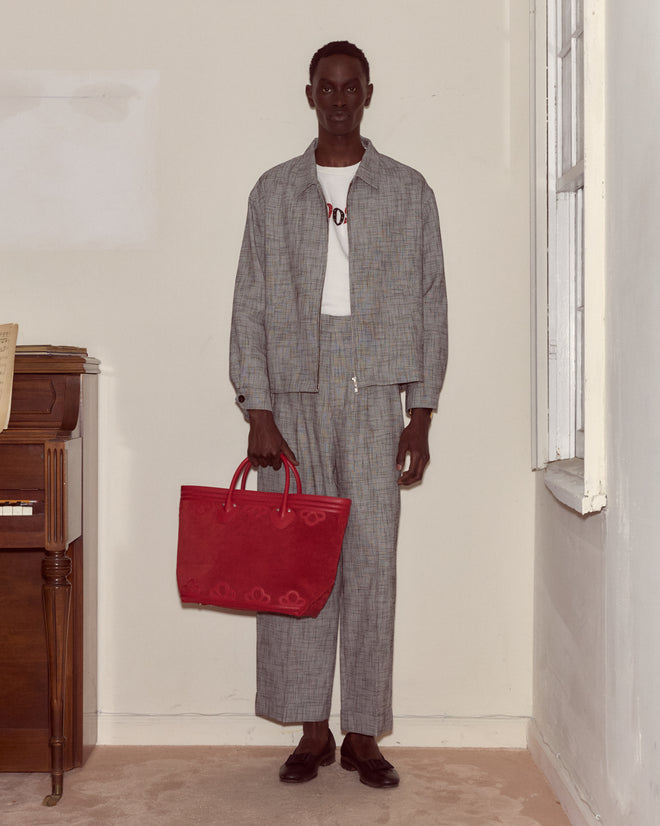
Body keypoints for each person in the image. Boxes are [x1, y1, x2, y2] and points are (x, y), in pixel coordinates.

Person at [230, 40, 447, 788]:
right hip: (293, 394)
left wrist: (419, 412)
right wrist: (257, 405)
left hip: (375, 390)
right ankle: (310, 728)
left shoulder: (407, 190)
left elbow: (430, 302)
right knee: (297, 563)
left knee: (370, 563)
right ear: (311, 94)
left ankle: (361, 731)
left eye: (352, 87)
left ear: (369, 93)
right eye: (328, 86)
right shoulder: (273, 191)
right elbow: (250, 302)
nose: (341, 98)